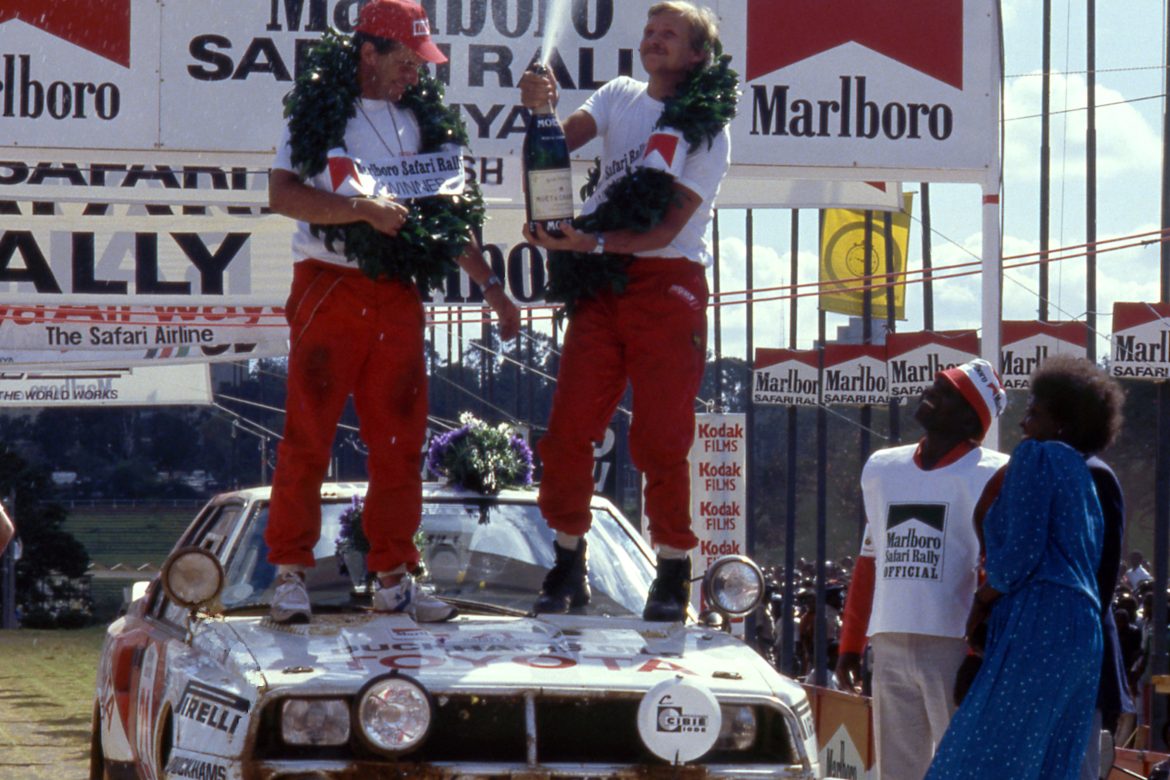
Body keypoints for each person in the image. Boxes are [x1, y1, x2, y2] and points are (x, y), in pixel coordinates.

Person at [264, 0, 520, 624]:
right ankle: (291, 574)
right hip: (328, 283)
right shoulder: (321, 109)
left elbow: (449, 220)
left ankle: (395, 577)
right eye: (406, 61)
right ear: (369, 54)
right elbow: (283, 194)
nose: (416, 74)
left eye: (421, 63)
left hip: (398, 290)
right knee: (309, 434)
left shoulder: (422, 119)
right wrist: (359, 211)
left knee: (401, 441)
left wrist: (492, 287)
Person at [518, 1, 732, 620]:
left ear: (697, 55)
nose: (653, 40)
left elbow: (666, 228)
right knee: (569, 428)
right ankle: (568, 561)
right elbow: (558, 143)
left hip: (667, 285)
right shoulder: (618, 95)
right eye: (649, 31)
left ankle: (672, 570)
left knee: (661, 435)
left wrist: (590, 241)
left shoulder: (709, 128)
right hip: (601, 282)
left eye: (670, 34)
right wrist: (541, 112)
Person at [925, 356, 1123, 780]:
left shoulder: (1036, 456)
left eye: (1034, 412)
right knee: (1054, 765)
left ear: (1062, 423)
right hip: (1084, 636)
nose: (1023, 423)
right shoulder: (1084, 474)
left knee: (978, 761)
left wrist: (982, 600)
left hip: (1039, 623)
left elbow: (1018, 557)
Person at [835, 359, 1009, 780]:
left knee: (963, 767)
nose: (930, 393)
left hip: (953, 644)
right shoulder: (882, 468)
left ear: (970, 418)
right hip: (889, 638)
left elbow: (998, 570)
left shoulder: (994, 473)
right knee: (897, 770)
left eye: (946, 392)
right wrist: (851, 645)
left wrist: (977, 653)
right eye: (936, 384)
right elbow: (870, 560)